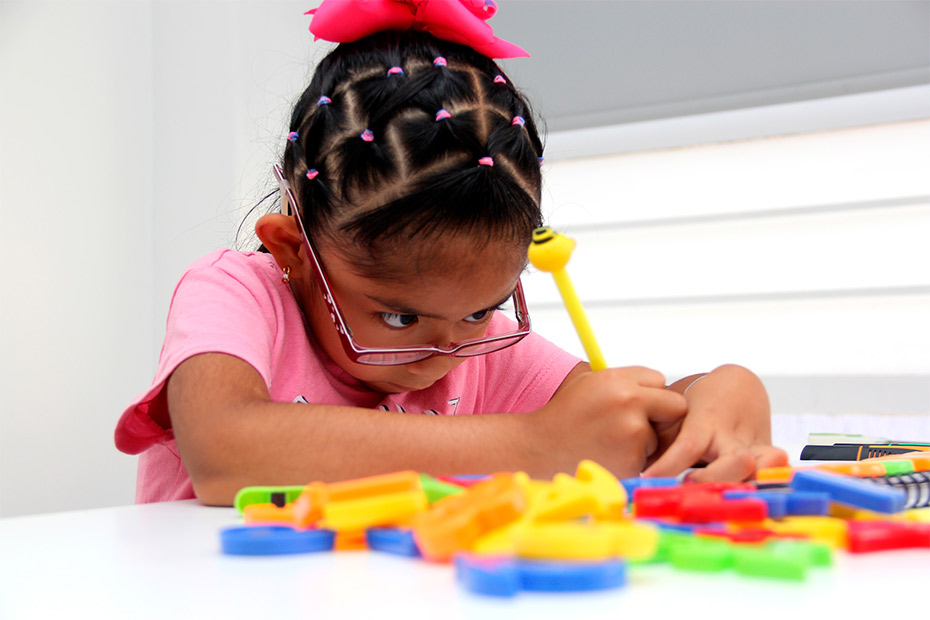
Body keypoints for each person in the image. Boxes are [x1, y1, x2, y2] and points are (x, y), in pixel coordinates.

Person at [115, 0, 787, 506]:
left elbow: (612, 426)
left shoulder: (479, 345)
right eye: (400, 320)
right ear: (294, 250)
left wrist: (716, 396)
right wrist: (532, 446)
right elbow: (223, 452)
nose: (444, 357)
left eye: (481, 310)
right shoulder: (237, 295)